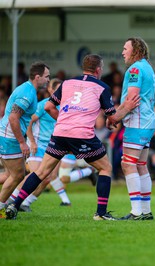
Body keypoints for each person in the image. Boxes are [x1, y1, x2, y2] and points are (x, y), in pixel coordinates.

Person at [5, 54, 140, 220]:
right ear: (98, 69)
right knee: (105, 168)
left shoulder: (67, 83)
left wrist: (62, 119)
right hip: (82, 134)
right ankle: (101, 213)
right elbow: (112, 118)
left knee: (41, 172)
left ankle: (15, 205)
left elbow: (48, 106)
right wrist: (127, 108)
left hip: (61, 132)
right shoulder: (102, 87)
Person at [8, 79, 98, 212]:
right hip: (37, 145)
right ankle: (11, 200)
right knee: (35, 174)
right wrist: (31, 141)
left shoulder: (67, 106)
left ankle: (25, 203)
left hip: (53, 146)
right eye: (56, 89)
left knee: (47, 178)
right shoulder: (43, 105)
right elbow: (29, 123)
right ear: (50, 90)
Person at [0, 62, 50, 219]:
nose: (48, 80)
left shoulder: (28, 90)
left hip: (8, 135)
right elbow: (14, 118)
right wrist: (23, 142)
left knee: (11, 174)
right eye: (46, 77)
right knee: (17, 175)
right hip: (10, 137)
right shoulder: (27, 93)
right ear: (38, 77)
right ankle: (1, 208)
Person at [119, 37, 155, 221]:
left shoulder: (135, 69)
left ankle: (136, 212)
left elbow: (132, 99)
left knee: (127, 164)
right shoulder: (148, 67)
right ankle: (146, 211)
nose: (123, 52)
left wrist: (115, 117)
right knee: (141, 165)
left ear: (136, 50)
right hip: (147, 122)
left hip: (137, 122)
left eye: (126, 48)